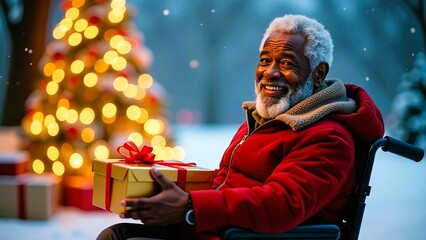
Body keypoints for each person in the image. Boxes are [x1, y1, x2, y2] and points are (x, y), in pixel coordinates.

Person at [97, 14, 384, 240]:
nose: (270, 72)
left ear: (318, 73)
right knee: (116, 234)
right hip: (223, 230)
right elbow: (227, 183)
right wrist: (165, 190)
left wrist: (189, 208)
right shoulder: (261, 121)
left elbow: (281, 204)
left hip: (257, 237)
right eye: (265, 60)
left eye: (286, 62)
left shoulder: (329, 138)